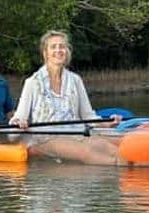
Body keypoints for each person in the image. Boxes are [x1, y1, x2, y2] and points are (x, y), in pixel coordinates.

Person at [9, 30, 123, 163]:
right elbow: (18, 119)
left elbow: (88, 116)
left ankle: (138, 170)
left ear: (67, 51)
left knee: (111, 149)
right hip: (45, 138)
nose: (58, 50)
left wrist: (106, 123)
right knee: (85, 151)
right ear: (45, 53)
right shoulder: (32, 83)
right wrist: (18, 122)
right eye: (53, 47)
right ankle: (122, 172)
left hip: (76, 133)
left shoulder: (76, 80)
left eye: (62, 46)